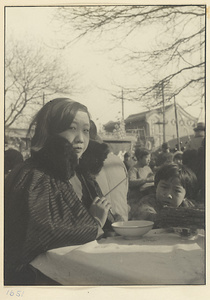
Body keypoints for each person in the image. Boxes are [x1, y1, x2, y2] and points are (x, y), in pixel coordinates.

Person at [4, 98, 112, 285]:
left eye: (86, 130)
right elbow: (40, 231)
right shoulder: (33, 175)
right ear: (50, 131)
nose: (81, 139)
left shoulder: (81, 174)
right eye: (72, 128)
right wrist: (94, 224)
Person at [129, 163, 197, 222]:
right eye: (164, 187)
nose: (168, 195)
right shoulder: (148, 202)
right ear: (156, 187)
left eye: (177, 191)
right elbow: (148, 217)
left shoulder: (187, 206)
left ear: (185, 196)